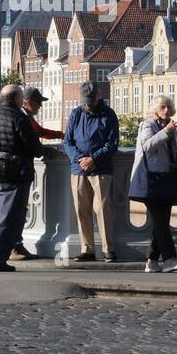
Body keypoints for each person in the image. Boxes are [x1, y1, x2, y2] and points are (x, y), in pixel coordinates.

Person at [0, 84, 45, 272]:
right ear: (17, 100)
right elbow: (35, 149)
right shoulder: (19, 118)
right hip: (15, 174)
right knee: (7, 218)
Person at [129, 95, 177, 273]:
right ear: (155, 109)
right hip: (151, 181)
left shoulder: (170, 127)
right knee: (161, 222)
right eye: (162, 107)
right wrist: (166, 132)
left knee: (161, 222)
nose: (166, 110)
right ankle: (169, 259)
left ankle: (152, 262)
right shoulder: (148, 125)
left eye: (168, 106)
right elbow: (147, 146)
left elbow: (172, 151)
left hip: (167, 179)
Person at [64, 81, 120, 262]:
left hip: (101, 168)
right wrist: (81, 159)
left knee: (103, 209)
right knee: (82, 210)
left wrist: (94, 158)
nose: (87, 104)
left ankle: (108, 249)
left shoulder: (109, 115)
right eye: (85, 101)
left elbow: (111, 143)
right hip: (78, 168)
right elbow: (68, 142)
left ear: (98, 96)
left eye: (90, 100)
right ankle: (87, 249)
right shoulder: (76, 113)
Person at [11, 86, 63, 260]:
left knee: (17, 209)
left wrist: (61, 134)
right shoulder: (23, 118)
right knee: (17, 210)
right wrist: (43, 150)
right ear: (26, 103)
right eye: (37, 103)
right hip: (19, 169)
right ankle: (14, 247)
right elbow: (34, 138)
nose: (40, 106)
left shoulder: (27, 118)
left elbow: (40, 132)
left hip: (15, 168)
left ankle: (15, 245)